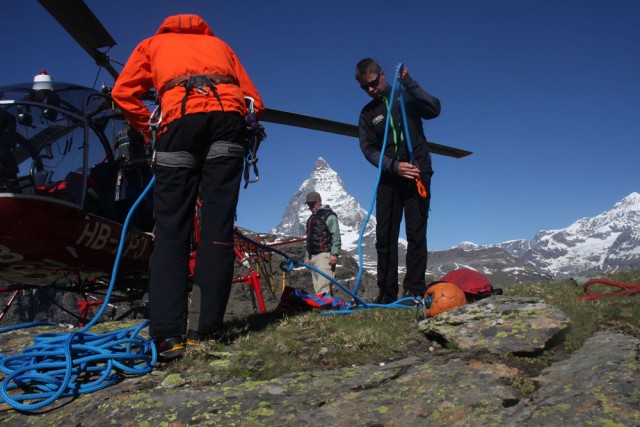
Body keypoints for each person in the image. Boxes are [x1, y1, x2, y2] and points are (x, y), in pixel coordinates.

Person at [111, 14, 264, 361]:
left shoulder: (153, 44)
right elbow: (255, 101)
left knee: (171, 232)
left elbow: (123, 93)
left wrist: (149, 124)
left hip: (178, 122)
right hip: (228, 124)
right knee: (218, 231)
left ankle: (167, 338)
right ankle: (205, 330)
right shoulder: (220, 46)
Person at [354, 58, 440, 304]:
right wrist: (393, 166)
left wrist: (410, 83)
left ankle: (414, 291)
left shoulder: (406, 96)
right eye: (364, 88)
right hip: (389, 178)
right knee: (385, 237)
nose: (370, 90)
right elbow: (367, 148)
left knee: (416, 233)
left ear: (382, 75)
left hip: (418, 173)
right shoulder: (367, 114)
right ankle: (387, 294)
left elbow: (434, 109)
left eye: (372, 84)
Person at [303, 191, 341, 295]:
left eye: (313, 203)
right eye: (309, 204)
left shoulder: (329, 216)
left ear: (319, 201)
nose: (311, 206)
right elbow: (309, 238)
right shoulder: (311, 219)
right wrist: (307, 256)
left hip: (324, 255)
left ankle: (324, 308)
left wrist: (334, 254)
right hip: (313, 256)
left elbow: (335, 236)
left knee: (323, 286)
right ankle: (328, 307)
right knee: (318, 285)